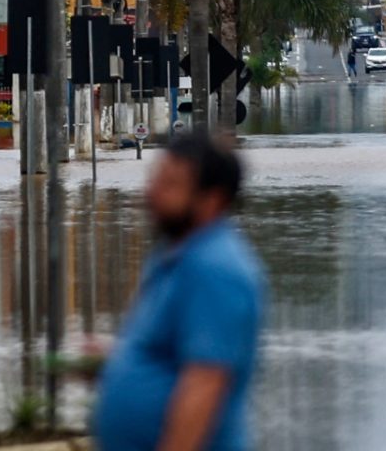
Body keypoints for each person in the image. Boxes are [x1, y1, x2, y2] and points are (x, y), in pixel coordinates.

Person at [94, 132, 267, 451]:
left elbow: (205, 382)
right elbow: (171, 353)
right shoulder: (175, 253)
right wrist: (117, 361)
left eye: (170, 185)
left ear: (212, 200)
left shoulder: (216, 269)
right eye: (155, 179)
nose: (152, 193)